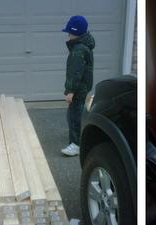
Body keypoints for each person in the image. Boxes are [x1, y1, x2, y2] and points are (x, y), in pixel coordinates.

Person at [60, 15, 95, 156]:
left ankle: (76, 144)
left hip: (78, 89)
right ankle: (78, 138)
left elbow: (75, 73)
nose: (68, 34)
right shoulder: (84, 46)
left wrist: (70, 91)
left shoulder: (78, 50)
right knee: (74, 114)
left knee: (74, 115)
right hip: (83, 87)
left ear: (75, 32)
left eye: (70, 32)